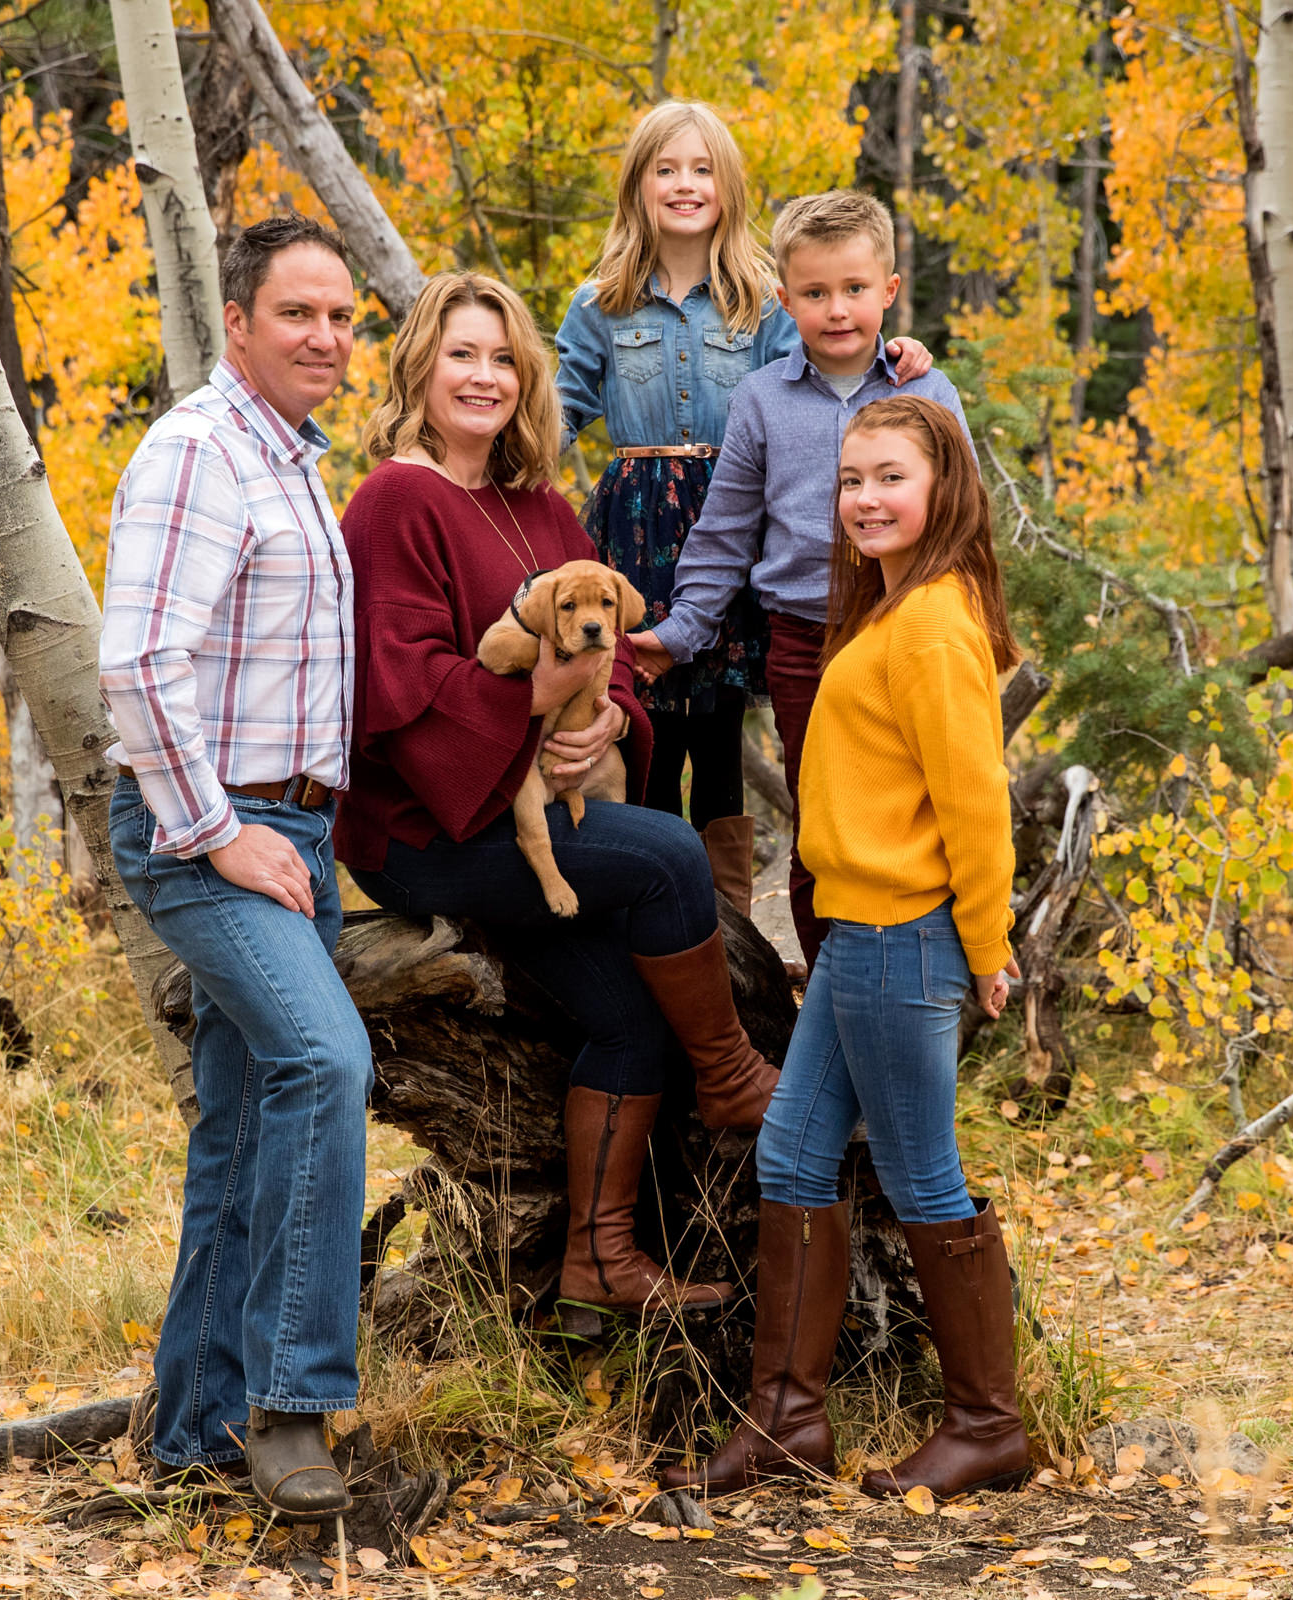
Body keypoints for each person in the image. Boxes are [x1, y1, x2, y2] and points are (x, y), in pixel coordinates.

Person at [335, 273, 778, 1333]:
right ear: (420, 371)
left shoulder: (539, 506)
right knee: (671, 856)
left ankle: (596, 1266)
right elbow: (396, 685)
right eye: (462, 355)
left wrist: (612, 725)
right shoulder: (396, 500)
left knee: (627, 1016)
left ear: (528, 379)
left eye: (503, 359)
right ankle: (735, 1082)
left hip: (540, 810)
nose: (483, 377)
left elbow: (609, 645)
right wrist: (535, 700)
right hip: (430, 827)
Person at [663, 396, 1029, 1499]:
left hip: (901, 935)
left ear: (944, 485)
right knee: (791, 1155)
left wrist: (988, 941)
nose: (866, 498)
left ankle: (987, 1424)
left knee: (924, 1177)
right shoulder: (893, 603)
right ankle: (786, 1422)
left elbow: (976, 797)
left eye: (891, 478)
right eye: (851, 479)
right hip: (858, 934)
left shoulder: (930, 621)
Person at [98, 214, 369, 1521]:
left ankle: (191, 1437)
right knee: (326, 1064)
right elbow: (140, 664)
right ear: (240, 325)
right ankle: (295, 1406)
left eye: (343, 318)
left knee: (248, 1125)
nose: (325, 338)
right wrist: (219, 829)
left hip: (288, 834)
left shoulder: (292, 462)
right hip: (205, 835)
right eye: (300, 314)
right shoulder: (200, 452)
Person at [556, 106, 933, 917]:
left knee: (718, 724)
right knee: (640, 710)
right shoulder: (601, 302)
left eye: (701, 169)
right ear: (638, 185)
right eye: (666, 169)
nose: (685, 185)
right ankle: (651, 898)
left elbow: (823, 378)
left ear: (727, 187)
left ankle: (729, 922)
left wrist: (898, 352)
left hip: (734, 522)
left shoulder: (766, 304)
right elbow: (556, 411)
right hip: (637, 532)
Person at [626, 189, 969, 976]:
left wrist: (973, 632)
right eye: (815, 293)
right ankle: (831, 993)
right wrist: (679, 633)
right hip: (805, 643)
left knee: (919, 814)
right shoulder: (762, 401)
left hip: (913, 633)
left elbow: (963, 526)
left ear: (889, 290)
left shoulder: (928, 393)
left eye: (855, 289)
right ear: (785, 300)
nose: (837, 309)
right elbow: (725, 532)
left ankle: (924, 978)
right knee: (823, 827)